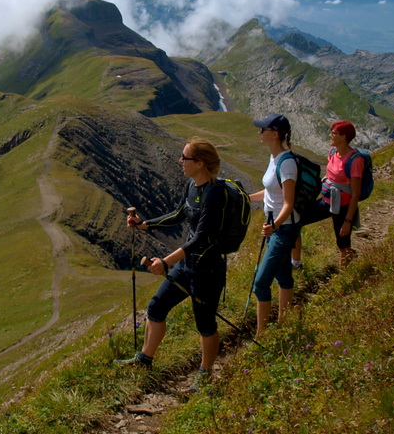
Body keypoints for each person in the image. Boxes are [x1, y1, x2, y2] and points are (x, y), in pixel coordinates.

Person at [116, 137, 229, 392]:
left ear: (200, 163)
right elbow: (179, 214)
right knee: (156, 307)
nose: (180, 161)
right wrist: (146, 225)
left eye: (185, 158)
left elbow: (201, 239)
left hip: (207, 270)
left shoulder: (215, 194)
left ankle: (205, 374)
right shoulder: (192, 185)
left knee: (205, 324)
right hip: (187, 265)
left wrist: (166, 262)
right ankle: (144, 360)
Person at [248, 114, 301, 335]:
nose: (260, 133)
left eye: (264, 130)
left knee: (260, 283)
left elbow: (289, 203)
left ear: (275, 133)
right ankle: (284, 321)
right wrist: (246, 197)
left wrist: (275, 226)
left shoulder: (287, 164)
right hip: (277, 226)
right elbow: (271, 194)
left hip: (283, 227)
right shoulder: (275, 158)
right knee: (283, 275)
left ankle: (262, 333)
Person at [323, 120, 365, 268]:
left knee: (342, 240)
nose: (330, 136)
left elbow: (355, 194)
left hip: (343, 205)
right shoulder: (333, 152)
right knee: (300, 218)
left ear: (343, 136)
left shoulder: (355, 160)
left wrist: (348, 221)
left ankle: (345, 271)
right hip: (328, 200)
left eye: (333, 133)